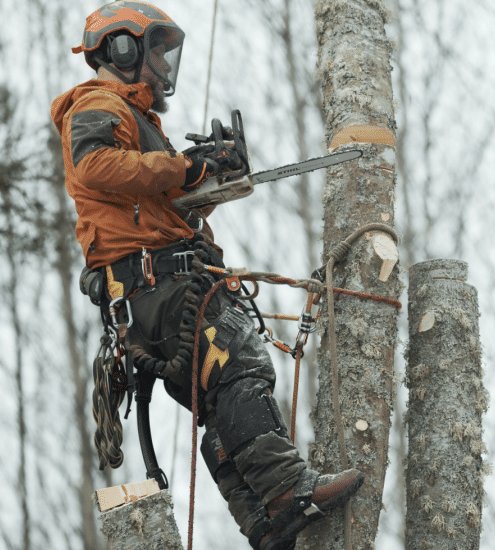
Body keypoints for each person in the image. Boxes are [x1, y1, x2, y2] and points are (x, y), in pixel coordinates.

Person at [49, 3, 364, 549]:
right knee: (241, 365)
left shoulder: (142, 123)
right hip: (159, 288)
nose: (161, 65)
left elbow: (168, 206)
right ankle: (287, 488)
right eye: (152, 51)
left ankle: (264, 522)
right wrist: (185, 167)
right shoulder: (98, 106)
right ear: (121, 49)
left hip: (156, 289)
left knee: (221, 402)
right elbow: (95, 165)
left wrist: (210, 172)